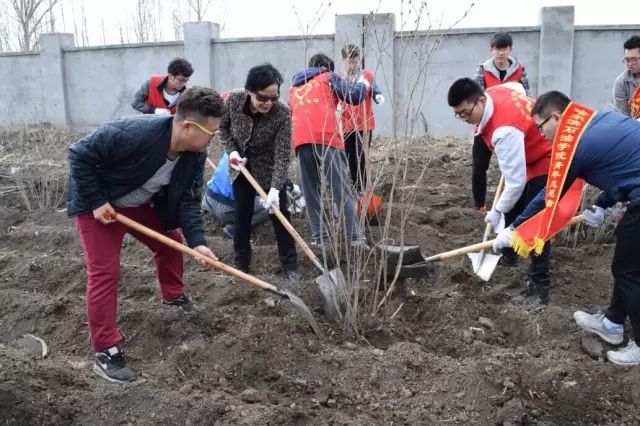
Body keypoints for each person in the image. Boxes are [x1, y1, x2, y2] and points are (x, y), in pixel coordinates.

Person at [68, 87, 223, 383]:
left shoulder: (194, 154)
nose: (212, 140)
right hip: (99, 206)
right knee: (105, 273)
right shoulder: (133, 133)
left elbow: (189, 199)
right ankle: (105, 350)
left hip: (137, 204)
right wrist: (98, 201)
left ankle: (173, 297)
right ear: (188, 127)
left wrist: (199, 244)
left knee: (171, 245)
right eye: (211, 133)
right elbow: (78, 155)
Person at [493, 90, 640, 365]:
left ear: (556, 117)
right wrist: (602, 204)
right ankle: (612, 324)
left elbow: (550, 194)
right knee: (626, 265)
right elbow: (622, 167)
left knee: (628, 271)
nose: (540, 134)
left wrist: (513, 228)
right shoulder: (595, 121)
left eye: (540, 126)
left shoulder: (577, 143)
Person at [447, 77, 552, 304]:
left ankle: (538, 287)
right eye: (459, 115)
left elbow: (516, 183)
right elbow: (517, 88)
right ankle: (510, 254)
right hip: (527, 150)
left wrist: (496, 211)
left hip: (547, 156)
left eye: (466, 113)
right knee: (514, 205)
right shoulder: (496, 91)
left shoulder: (503, 131)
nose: (465, 119)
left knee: (536, 221)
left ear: (481, 101)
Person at [220, 63, 300, 280]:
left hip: (270, 168)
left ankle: (291, 266)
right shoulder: (234, 100)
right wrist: (232, 152)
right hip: (241, 168)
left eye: (274, 97)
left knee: (280, 215)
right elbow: (223, 128)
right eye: (263, 98)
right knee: (242, 216)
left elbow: (283, 154)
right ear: (249, 92)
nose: (269, 103)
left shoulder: (282, 112)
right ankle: (241, 264)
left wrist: (276, 188)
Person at [289, 53, 370, 249]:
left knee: (311, 191)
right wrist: (364, 83)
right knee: (342, 188)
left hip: (300, 139)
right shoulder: (328, 77)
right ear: (327, 68)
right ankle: (354, 237)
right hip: (325, 136)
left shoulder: (294, 88)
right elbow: (354, 96)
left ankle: (320, 238)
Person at [472, 32, 532, 213]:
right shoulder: (482, 71)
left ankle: (515, 203)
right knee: (479, 165)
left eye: (504, 49)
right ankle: (480, 205)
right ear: (491, 50)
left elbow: (527, 98)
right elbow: (476, 97)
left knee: (516, 166)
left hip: (513, 127)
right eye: (497, 49)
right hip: (487, 125)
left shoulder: (520, 71)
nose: (501, 53)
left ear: (510, 50)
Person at [339, 44, 385, 193]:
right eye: (350, 61)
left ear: (360, 60)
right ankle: (354, 185)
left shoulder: (367, 76)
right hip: (346, 124)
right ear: (344, 61)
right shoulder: (340, 78)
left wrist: (378, 96)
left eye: (356, 61)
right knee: (349, 156)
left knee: (362, 156)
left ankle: (363, 186)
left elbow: (375, 90)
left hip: (364, 123)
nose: (353, 64)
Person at [202, 152, 273, 239]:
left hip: (207, 200)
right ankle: (236, 228)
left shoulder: (230, 150)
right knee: (272, 207)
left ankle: (202, 216)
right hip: (225, 210)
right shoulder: (255, 157)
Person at [613, 35, 640, 120]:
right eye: (627, 60)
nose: (630, 63)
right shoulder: (621, 82)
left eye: (634, 59)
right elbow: (623, 117)